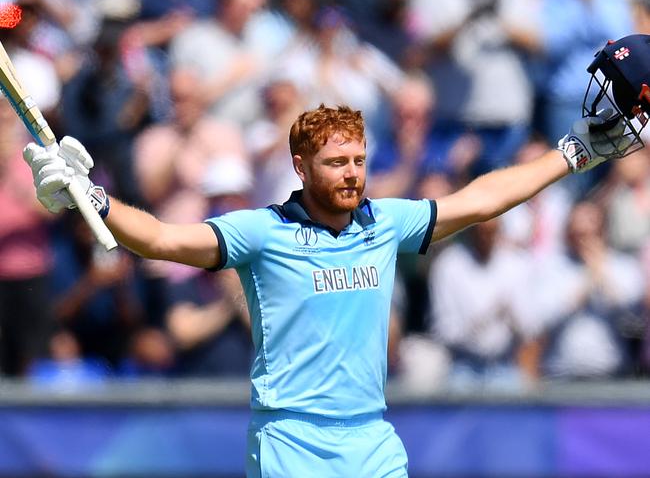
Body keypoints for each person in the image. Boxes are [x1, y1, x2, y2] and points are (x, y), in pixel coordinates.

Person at [19, 35, 645, 477]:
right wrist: (94, 199)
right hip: (291, 443)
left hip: (372, 439)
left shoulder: (384, 223)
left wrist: (574, 153)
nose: (352, 175)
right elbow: (159, 238)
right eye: (336, 163)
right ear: (300, 166)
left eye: (359, 161)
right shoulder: (261, 233)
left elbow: (481, 199)